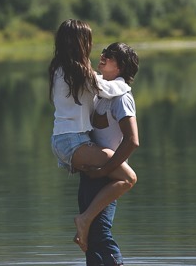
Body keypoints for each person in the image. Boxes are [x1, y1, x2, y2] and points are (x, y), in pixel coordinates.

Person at [49, 20, 138, 253]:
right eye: (88, 40)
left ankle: (86, 227)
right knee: (129, 178)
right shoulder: (78, 70)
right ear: (80, 42)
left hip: (70, 142)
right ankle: (84, 219)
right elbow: (107, 89)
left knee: (100, 228)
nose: (93, 47)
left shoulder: (61, 67)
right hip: (73, 142)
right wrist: (124, 82)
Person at [78, 42, 140, 266]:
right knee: (90, 242)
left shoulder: (122, 98)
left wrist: (105, 170)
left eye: (111, 56)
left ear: (121, 67)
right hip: (91, 175)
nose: (103, 56)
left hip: (107, 176)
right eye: (104, 52)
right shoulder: (100, 95)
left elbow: (132, 141)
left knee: (100, 234)